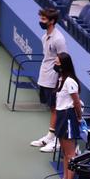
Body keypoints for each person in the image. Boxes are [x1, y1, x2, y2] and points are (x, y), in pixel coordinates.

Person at [31, 8, 67, 152]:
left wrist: (61, 81)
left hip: (54, 79)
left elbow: (64, 59)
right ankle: (50, 136)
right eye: (41, 18)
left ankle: (58, 140)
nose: (41, 21)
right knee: (52, 108)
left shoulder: (59, 39)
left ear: (52, 21)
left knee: (57, 108)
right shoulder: (44, 36)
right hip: (45, 76)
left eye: (44, 19)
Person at [48, 52, 82, 179]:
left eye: (57, 62)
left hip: (69, 117)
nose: (55, 64)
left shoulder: (70, 81)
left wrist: (79, 118)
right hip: (62, 116)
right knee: (64, 153)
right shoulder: (61, 79)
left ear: (64, 64)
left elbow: (76, 103)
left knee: (70, 154)